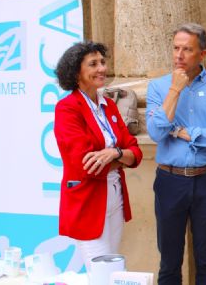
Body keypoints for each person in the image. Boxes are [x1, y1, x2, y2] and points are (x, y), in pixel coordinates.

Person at [146, 23, 206, 285]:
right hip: (170, 181)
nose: (179, 55)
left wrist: (187, 132)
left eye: (187, 49)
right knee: (169, 260)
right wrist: (175, 89)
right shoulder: (159, 87)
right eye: (175, 48)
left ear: (202, 54)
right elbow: (156, 132)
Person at [54, 41, 143, 270]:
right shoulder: (68, 108)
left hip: (115, 198)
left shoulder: (109, 106)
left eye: (102, 62)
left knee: (111, 271)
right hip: (88, 201)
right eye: (93, 64)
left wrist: (115, 152)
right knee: (102, 273)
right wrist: (122, 158)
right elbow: (87, 166)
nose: (102, 68)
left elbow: (135, 153)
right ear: (76, 73)